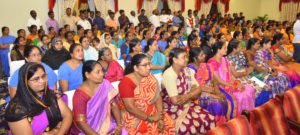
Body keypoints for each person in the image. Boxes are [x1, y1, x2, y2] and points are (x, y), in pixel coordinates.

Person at [5, 62, 72, 135]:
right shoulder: (16, 111)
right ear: (25, 82)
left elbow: (68, 115)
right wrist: (54, 131)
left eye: (43, 76)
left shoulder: (49, 94)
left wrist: (59, 133)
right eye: (36, 79)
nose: (42, 81)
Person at [162, 48, 215, 134]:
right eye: (183, 57)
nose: (186, 59)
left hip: (188, 104)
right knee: (187, 128)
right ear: (175, 60)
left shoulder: (188, 71)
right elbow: (175, 101)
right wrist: (192, 93)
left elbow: (199, 89)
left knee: (209, 118)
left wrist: (188, 95)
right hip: (172, 109)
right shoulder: (169, 74)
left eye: (186, 57)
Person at [119, 54, 175, 134]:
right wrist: (151, 119)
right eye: (145, 65)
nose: (149, 67)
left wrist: (159, 117)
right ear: (135, 68)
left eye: (149, 64)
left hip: (153, 111)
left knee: (168, 124)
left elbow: (157, 97)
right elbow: (130, 108)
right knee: (148, 130)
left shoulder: (150, 77)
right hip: (134, 115)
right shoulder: (126, 83)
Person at [70, 60, 126, 134]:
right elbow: (81, 122)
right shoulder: (80, 95)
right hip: (88, 130)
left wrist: (119, 125)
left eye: (102, 71)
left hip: (107, 124)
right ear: (87, 75)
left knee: (124, 131)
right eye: (98, 72)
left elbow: (114, 105)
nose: (102, 74)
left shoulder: (105, 84)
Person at [208, 41, 255, 115]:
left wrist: (237, 83)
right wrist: (233, 86)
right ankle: (239, 117)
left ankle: (247, 115)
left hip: (229, 83)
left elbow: (230, 75)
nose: (226, 49)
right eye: (224, 48)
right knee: (241, 96)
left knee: (249, 90)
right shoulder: (212, 62)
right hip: (221, 87)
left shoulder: (224, 59)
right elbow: (219, 81)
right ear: (218, 50)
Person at [188, 47, 230, 126]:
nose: (204, 56)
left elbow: (214, 80)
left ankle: (222, 125)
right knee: (218, 104)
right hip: (198, 95)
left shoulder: (205, 65)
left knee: (224, 99)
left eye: (203, 54)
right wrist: (210, 92)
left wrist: (217, 91)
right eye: (201, 55)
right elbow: (194, 88)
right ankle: (216, 126)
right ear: (195, 58)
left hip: (210, 90)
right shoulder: (190, 70)